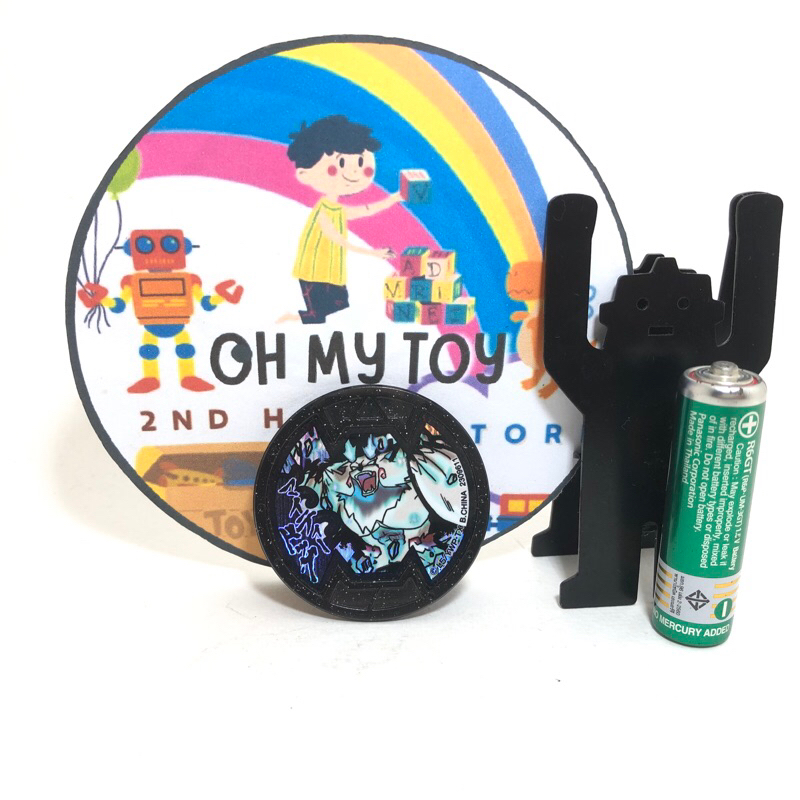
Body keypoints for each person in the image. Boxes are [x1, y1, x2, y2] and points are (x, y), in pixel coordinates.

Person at [279, 115, 403, 324]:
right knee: (319, 315)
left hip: (329, 269)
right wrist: (372, 253)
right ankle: (287, 320)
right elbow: (337, 238)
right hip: (315, 270)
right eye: (341, 163)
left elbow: (365, 210)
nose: (353, 172)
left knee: (339, 305)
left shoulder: (335, 208)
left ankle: (294, 319)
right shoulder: (323, 211)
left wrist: (394, 199)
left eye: (361, 163)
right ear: (304, 174)